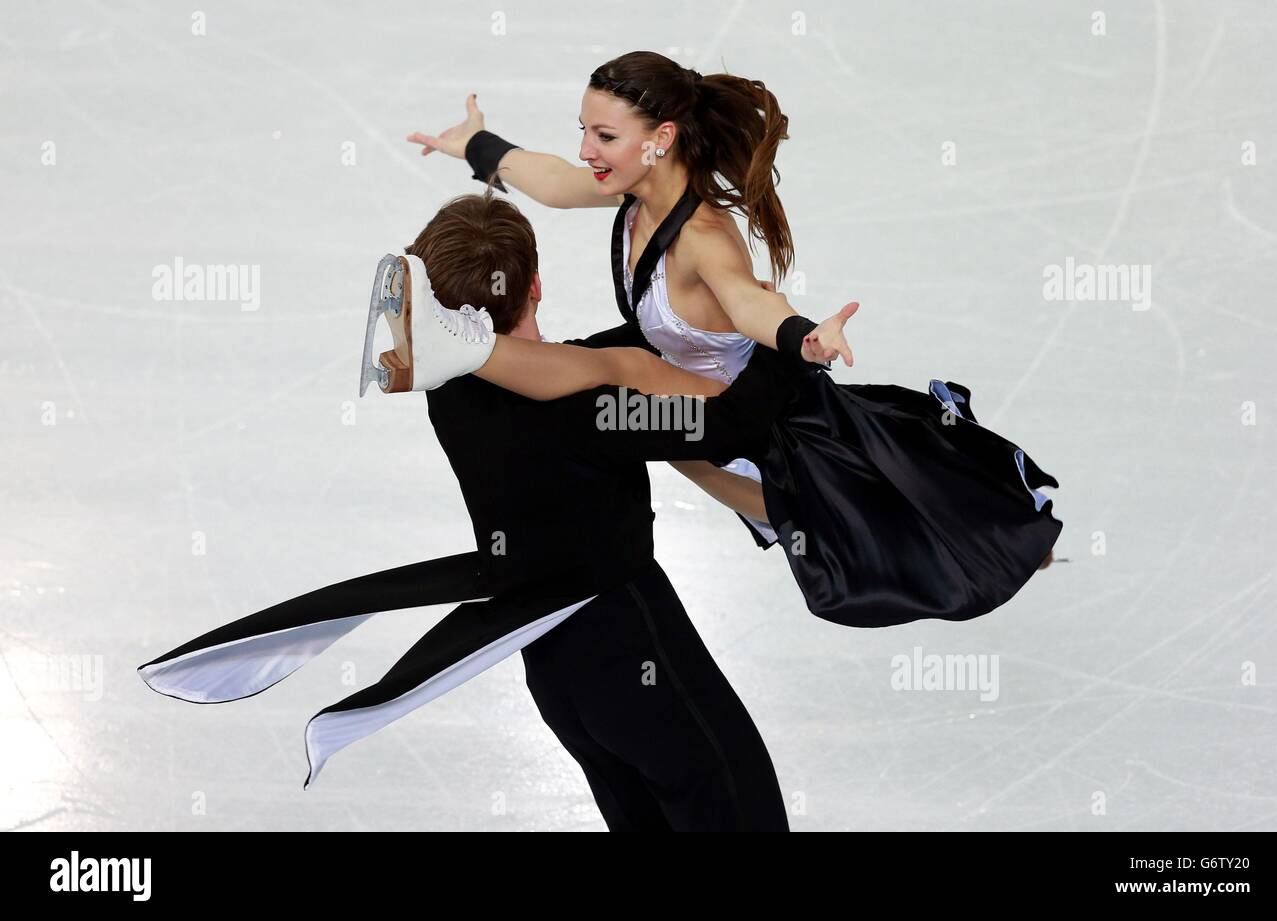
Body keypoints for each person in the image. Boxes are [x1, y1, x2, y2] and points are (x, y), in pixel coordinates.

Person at [139, 190, 820, 830]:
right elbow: (730, 425)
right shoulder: (589, 410)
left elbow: (587, 362)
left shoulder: (453, 395)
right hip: (632, 649)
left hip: (557, 672)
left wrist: (661, 325)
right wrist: (780, 342)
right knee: (740, 804)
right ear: (536, 286)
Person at [387, 51, 1062, 629]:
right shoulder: (633, 192)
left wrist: (801, 336)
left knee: (615, 368)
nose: (587, 150)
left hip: (751, 420)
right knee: (610, 368)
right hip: (692, 388)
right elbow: (556, 184)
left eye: (604, 134)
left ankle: (462, 348)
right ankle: (463, 350)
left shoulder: (702, 236)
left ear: (661, 138)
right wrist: (477, 145)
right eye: (583, 131)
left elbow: (746, 302)